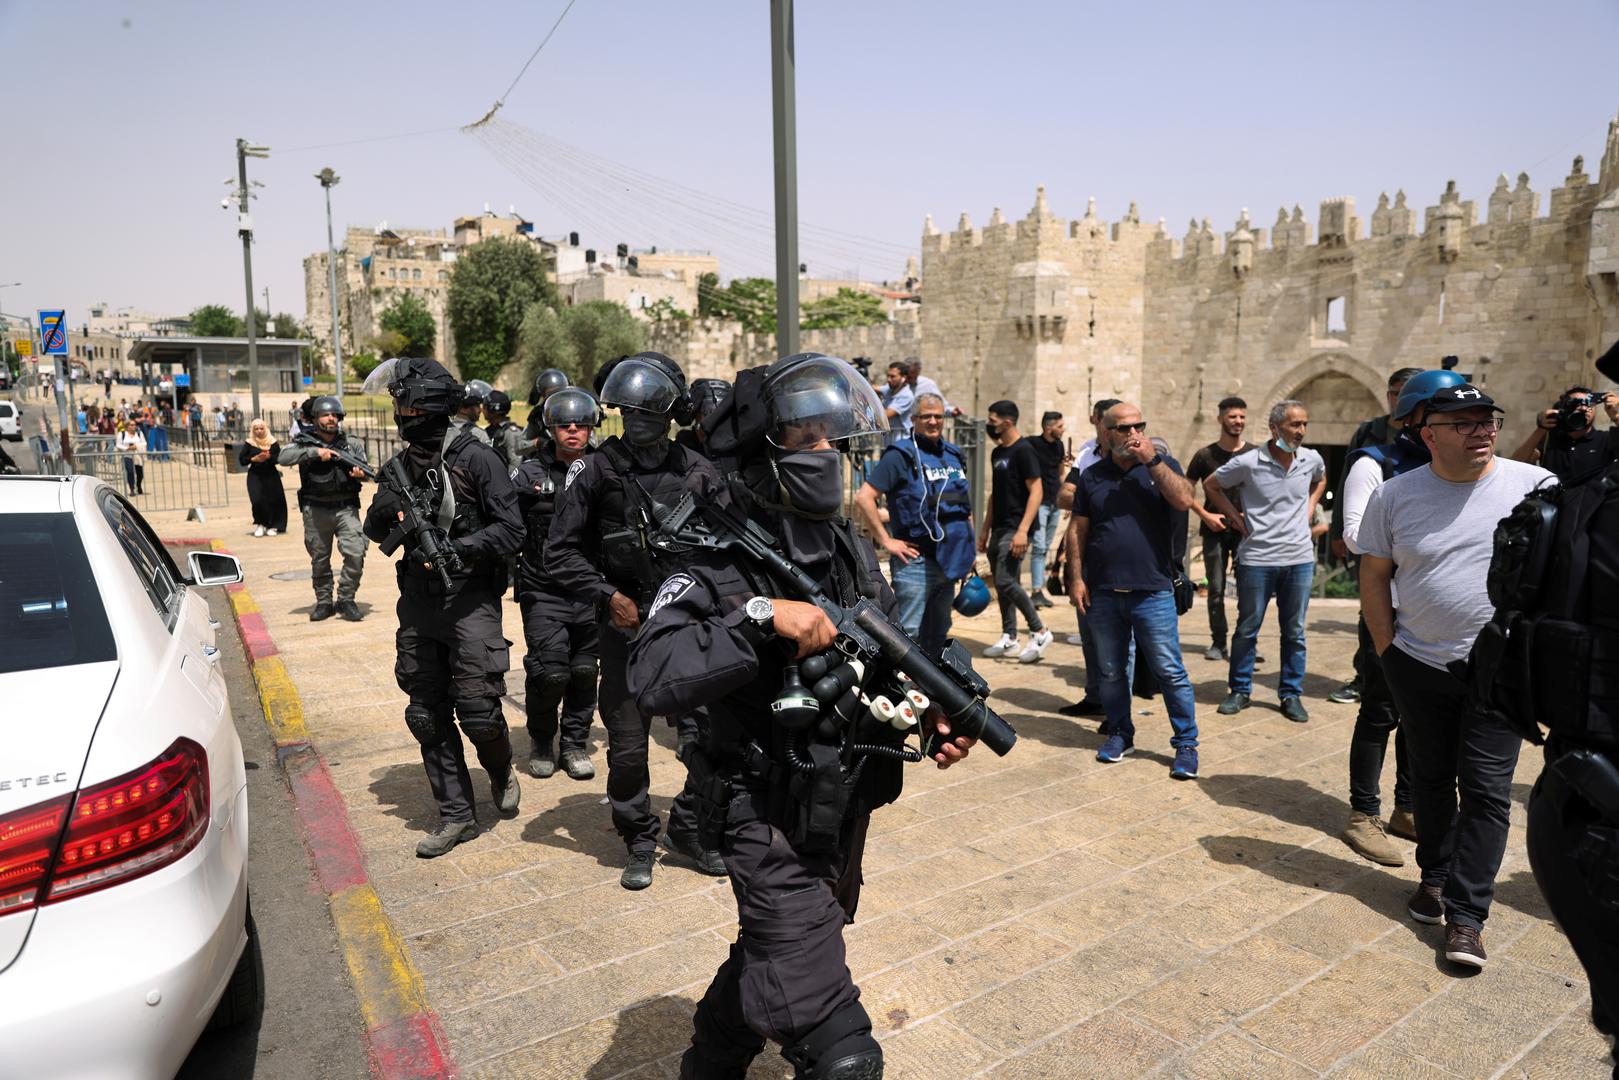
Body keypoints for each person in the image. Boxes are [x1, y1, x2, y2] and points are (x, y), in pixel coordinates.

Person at [625, 352, 980, 1080]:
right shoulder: (711, 552)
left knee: (778, 957)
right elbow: (651, 673)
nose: (829, 455)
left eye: (834, 439)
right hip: (760, 811)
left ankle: (710, 1063)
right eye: (807, 440)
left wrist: (937, 708)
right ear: (764, 451)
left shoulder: (846, 546)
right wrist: (757, 616)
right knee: (836, 1044)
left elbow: (885, 647)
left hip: (840, 804)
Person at [1357, 383, 1553, 968]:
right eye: (1464, 422)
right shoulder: (1395, 496)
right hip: (1417, 663)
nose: (1483, 430)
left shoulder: (1534, 487)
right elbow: (1373, 574)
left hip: (1502, 670)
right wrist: (1388, 649)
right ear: (1429, 433)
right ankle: (1435, 879)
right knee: (1433, 783)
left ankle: (1467, 917)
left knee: (1489, 793)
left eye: (1488, 419)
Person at [545, 352, 726, 890]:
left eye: (650, 414)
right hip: (625, 624)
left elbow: (727, 548)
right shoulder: (596, 469)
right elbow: (559, 553)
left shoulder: (696, 469)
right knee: (626, 746)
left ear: (672, 415)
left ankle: (691, 828)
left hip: (688, 626)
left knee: (710, 737)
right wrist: (607, 596)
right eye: (629, 413)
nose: (638, 423)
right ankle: (640, 839)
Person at [361, 357, 525, 858]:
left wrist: (464, 546)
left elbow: (512, 529)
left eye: (406, 404)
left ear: (426, 408)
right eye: (398, 405)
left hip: (470, 598)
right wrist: (393, 510)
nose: (401, 413)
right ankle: (457, 815)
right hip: (418, 602)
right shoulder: (402, 463)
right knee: (426, 714)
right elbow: (374, 528)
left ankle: (499, 768)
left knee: (478, 713)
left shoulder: (477, 458)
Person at [1336, 368, 1467, 867]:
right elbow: (1354, 535)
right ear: (1414, 418)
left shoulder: (1454, 467)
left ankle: (1407, 808)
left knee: (1422, 716)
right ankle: (1362, 814)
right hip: (1387, 608)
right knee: (1379, 710)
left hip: (1433, 615)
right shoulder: (1375, 464)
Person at [1065, 402, 1200, 777]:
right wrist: (1076, 578)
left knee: (1170, 670)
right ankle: (1121, 733)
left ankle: (1186, 744)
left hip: (1152, 591)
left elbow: (1185, 500)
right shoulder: (1093, 476)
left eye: (1138, 425)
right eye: (1123, 428)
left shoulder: (1161, 468)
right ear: (1106, 432)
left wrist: (1153, 460)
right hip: (1104, 591)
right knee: (1110, 671)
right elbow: (1078, 529)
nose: (1132, 433)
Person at [1204, 400, 1326, 722]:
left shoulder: (1311, 458)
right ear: (1274, 428)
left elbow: (1321, 478)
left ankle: (1290, 694)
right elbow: (1211, 485)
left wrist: (1310, 506)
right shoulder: (1248, 462)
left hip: (1299, 558)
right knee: (1247, 628)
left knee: (1294, 631)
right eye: (1294, 425)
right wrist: (1234, 518)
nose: (1300, 431)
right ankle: (1240, 690)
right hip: (1257, 557)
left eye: (1304, 424)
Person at [511, 387, 601, 782]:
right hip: (542, 587)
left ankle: (574, 744)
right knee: (551, 671)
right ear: (550, 427)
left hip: (591, 590)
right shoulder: (528, 473)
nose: (573, 431)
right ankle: (543, 739)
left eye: (581, 424)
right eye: (564, 424)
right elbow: (503, 523)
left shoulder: (603, 468)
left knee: (584, 670)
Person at [1325, 367, 1423, 704]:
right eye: (1394, 391)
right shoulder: (1370, 432)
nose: (1398, 398)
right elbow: (1344, 483)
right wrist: (1339, 531)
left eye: (1405, 392)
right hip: (1368, 540)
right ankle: (1365, 675)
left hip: (1414, 546)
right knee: (1370, 608)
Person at [852, 392, 975, 658]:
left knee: (939, 632)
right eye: (926, 416)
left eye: (938, 416)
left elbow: (963, 509)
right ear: (914, 419)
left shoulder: (954, 455)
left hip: (949, 560)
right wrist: (886, 541)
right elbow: (864, 497)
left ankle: (932, 694)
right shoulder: (900, 455)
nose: (933, 422)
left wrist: (968, 549)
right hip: (916, 562)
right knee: (907, 636)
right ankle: (906, 693)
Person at [1053, 398, 1120, 710]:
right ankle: (1095, 697)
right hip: (1088, 556)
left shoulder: (1140, 455)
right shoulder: (1086, 453)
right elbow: (1064, 495)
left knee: (1119, 640)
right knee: (1089, 633)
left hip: (1122, 559)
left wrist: (1086, 499)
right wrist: (1099, 497)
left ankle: (1118, 707)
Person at [278, 396, 369, 622]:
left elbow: (366, 470)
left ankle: (346, 598)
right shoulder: (304, 442)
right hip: (316, 510)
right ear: (316, 418)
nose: (331, 419)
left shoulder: (351, 444)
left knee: (356, 553)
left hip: (346, 508)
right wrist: (314, 453)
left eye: (334, 415)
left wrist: (361, 475)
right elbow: (283, 457)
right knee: (320, 559)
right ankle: (324, 602)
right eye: (326, 415)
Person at [979, 400, 1052, 663]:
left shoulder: (1025, 451)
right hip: (998, 527)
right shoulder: (998, 453)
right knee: (1002, 582)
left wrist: (1023, 531)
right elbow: (994, 496)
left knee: (1007, 580)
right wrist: (985, 529)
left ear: (1007, 422)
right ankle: (1009, 635)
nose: (990, 424)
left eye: (993, 418)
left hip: (1016, 528)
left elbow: (1037, 491)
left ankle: (1040, 630)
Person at [1185, 397, 1256, 662]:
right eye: (1232, 417)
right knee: (1215, 589)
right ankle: (1218, 642)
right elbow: (1185, 491)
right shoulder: (1204, 456)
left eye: (1242, 417)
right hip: (1214, 529)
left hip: (1247, 532)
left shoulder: (1256, 453)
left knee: (1250, 589)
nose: (1238, 421)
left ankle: (1246, 643)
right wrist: (1205, 515)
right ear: (1220, 419)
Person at [1511, 384, 1619, 486]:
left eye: (1589, 404)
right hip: (1554, 503)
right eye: (1577, 403)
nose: (1584, 408)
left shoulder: (1606, 439)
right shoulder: (1550, 439)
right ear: (1565, 408)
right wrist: (1541, 429)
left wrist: (1617, 415)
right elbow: (1515, 466)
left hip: (1592, 504)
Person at [1027, 410, 1070, 609]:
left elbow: (1061, 473)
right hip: (1039, 503)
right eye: (1059, 426)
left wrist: (1066, 500)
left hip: (1054, 503)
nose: (1063, 430)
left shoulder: (1059, 446)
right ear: (1048, 427)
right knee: (1039, 546)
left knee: (1045, 546)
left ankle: (1040, 590)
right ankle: (1036, 591)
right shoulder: (1032, 444)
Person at [238, 418, 288, 537]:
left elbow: (279, 459)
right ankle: (260, 524)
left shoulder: (273, 442)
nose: (259, 431)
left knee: (274, 499)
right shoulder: (249, 443)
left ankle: (273, 525)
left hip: (271, 475)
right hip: (255, 475)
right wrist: (253, 459)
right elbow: (242, 460)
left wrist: (268, 457)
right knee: (257, 499)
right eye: (256, 429)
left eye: (261, 428)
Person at [522, 367, 572, 448]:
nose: (555, 397)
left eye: (559, 392)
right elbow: (519, 445)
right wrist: (537, 442)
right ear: (543, 395)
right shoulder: (538, 416)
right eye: (550, 393)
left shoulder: (574, 410)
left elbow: (591, 443)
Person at [482, 390, 527, 468]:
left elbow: (516, 465)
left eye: (485, 407)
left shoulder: (511, 433)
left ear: (493, 409)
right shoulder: (489, 430)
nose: (482, 410)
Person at [878, 361, 914, 446]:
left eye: (893, 376)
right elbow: (874, 388)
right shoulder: (890, 389)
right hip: (888, 441)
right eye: (888, 376)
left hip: (902, 442)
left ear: (903, 378)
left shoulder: (906, 395)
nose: (889, 380)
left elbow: (886, 415)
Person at [453, 379, 494, 445]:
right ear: (463, 409)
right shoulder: (479, 434)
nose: (480, 410)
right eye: (477, 405)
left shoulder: (447, 429)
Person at [115, 420, 145, 496]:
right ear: (127, 426)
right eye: (131, 425)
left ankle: (138, 485)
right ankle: (132, 488)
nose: (133, 426)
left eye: (134, 425)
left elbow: (144, 443)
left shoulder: (139, 433)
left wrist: (136, 446)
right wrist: (127, 448)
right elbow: (118, 444)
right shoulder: (122, 434)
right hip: (127, 455)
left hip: (137, 456)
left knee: (140, 474)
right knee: (130, 472)